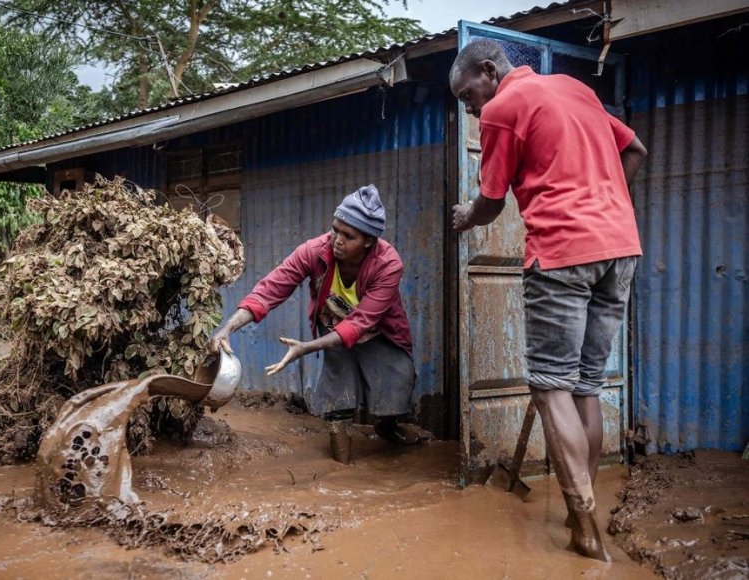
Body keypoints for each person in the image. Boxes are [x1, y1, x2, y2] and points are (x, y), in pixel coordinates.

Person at [449, 39, 647, 562]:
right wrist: (606, 205)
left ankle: (585, 532)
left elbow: (492, 202)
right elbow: (634, 151)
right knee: (584, 385)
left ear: (488, 72)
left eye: (469, 96)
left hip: (562, 254)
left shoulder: (503, 109)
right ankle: (580, 511)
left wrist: (466, 216)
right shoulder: (575, 89)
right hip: (621, 249)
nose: (471, 109)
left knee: (551, 386)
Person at [209, 184, 419, 464]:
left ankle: (387, 426)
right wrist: (228, 327)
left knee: (396, 386)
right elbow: (271, 288)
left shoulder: (388, 263)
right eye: (335, 230)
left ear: (369, 241)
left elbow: (360, 323)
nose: (337, 240)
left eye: (348, 236)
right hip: (331, 327)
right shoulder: (315, 251)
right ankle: (341, 468)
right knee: (338, 394)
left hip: (378, 332)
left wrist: (306, 348)